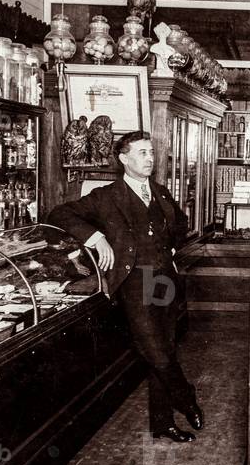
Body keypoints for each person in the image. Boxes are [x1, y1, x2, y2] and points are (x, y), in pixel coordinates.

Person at [48, 131, 203, 443]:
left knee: (165, 347)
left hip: (163, 279)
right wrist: (96, 237)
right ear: (124, 159)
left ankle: (163, 423)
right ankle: (185, 396)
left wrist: (171, 249)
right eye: (143, 153)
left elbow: (182, 223)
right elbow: (59, 214)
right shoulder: (107, 196)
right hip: (134, 281)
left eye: (151, 153)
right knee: (154, 349)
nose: (150, 159)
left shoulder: (159, 192)